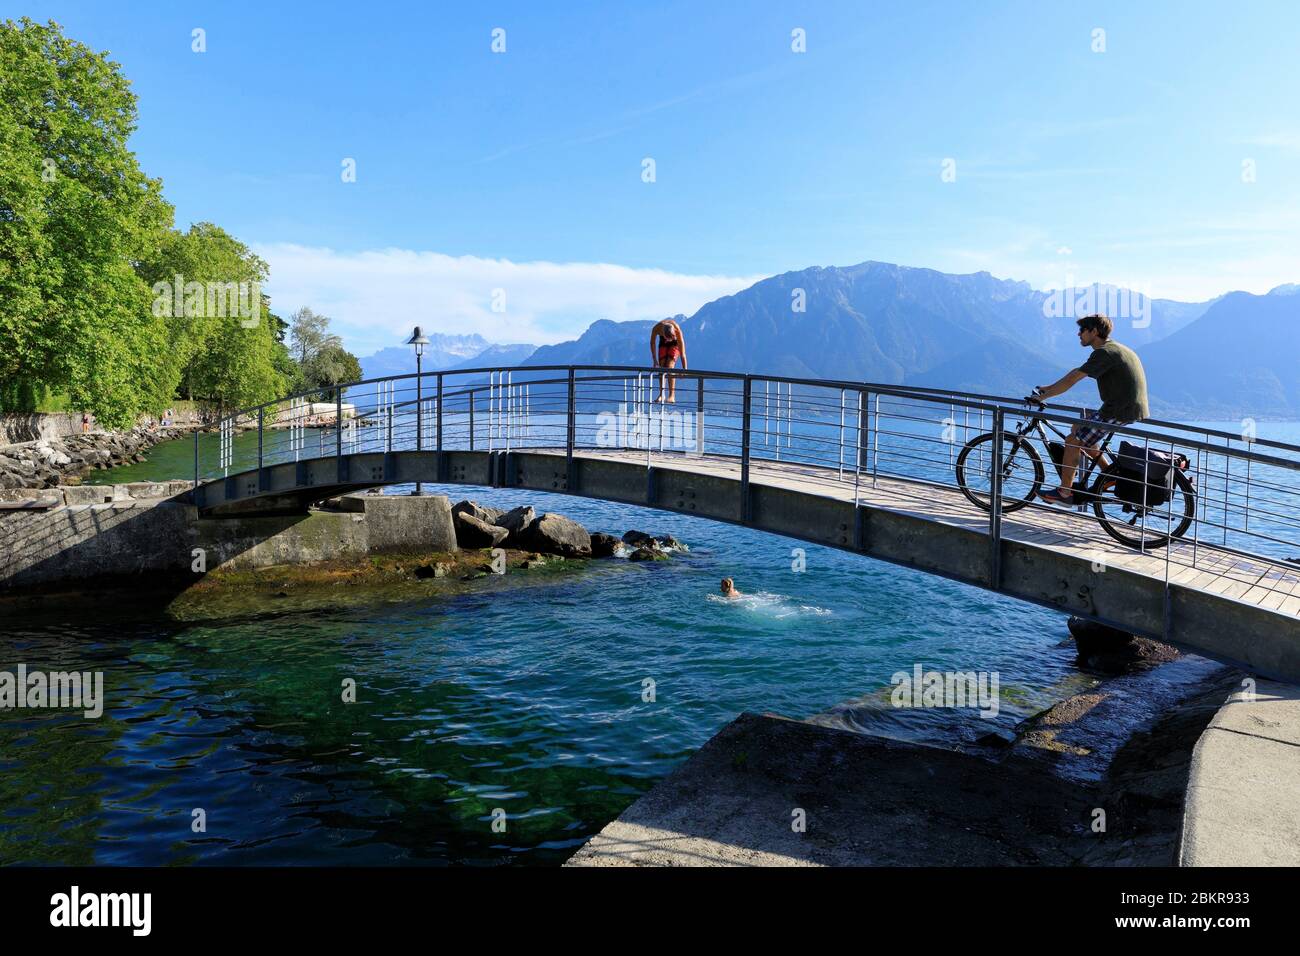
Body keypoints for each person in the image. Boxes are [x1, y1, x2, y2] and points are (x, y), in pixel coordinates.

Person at [1030, 313, 1150, 505]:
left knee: (1073, 440)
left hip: (1119, 410)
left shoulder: (1105, 353)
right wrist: (1049, 388)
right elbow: (1076, 372)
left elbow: (1072, 380)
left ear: (1094, 331)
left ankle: (1064, 493)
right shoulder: (1114, 349)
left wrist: (1042, 398)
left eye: (1082, 330)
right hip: (1127, 407)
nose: (1079, 334)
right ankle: (1109, 473)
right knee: (1077, 428)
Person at [649, 318, 686, 403]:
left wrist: (684, 370)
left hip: (675, 343)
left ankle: (672, 395)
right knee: (662, 366)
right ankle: (661, 394)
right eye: (667, 338)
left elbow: (683, 353)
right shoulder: (656, 329)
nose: (669, 340)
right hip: (663, 341)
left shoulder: (677, 331)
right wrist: (654, 359)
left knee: (669, 366)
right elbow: (652, 343)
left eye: (670, 338)